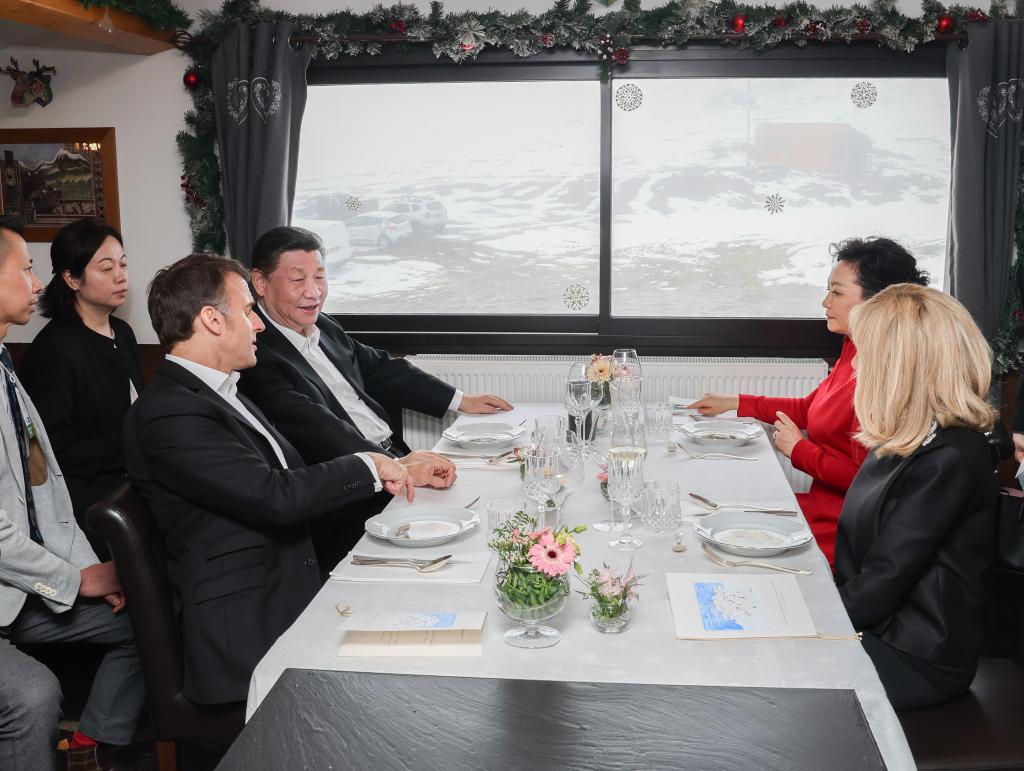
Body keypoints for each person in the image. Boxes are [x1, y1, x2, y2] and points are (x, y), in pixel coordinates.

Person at [124, 253, 449, 706]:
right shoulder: (170, 413)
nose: (259, 325)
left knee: (431, 604)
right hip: (250, 624)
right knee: (414, 671)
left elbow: (289, 481)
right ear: (212, 320)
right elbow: (274, 497)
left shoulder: (223, 390)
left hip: (290, 573)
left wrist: (388, 478)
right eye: (248, 311)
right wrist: (372, 466)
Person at [0, 217, 145, 770]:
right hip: (16, 582)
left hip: (23, 585)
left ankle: (90, 747)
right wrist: (75, 579)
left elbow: (45, 485)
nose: (37, 284)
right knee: (32, 696)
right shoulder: (53, 350)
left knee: (151, 615)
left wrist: (88, 569)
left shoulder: (5, 367)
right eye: (25, 270)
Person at [688, 237, 929, 565]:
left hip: (844, 529)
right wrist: (736, 401)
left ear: (877, 301)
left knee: (711, 538)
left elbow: (867, 480)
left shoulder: (885, 375)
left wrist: (800, 450)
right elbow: (809, 409)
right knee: (707, 514)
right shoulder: (854, 347)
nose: (825, 302)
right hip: (818, 508)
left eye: (837, 293)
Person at [835, 283, 997, 709]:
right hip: (882, 626)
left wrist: (800, 612)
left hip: (917, 654)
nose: (857, 365)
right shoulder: (910, 437)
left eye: (866, 353)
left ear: (899, 366)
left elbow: (878, 590)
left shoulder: (949, 459)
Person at [239, 225, 513, 464]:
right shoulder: (256, 355)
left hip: (394, 453)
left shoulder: (324, 325)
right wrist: (396, 467)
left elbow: (380, 368)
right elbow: (320, 430)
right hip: (357, 481)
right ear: (260, 282)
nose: (314, 292)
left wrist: (461, 400)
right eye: (298, 279)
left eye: (319, 277)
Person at [19, 219, 142, 560]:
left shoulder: (122, 332)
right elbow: (54, 447)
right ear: (72, 279)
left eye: (123, 264)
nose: (121, 276)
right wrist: (133, 444)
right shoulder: (55, 348)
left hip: (134, 481)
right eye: (106, 268)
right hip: (90, 503)